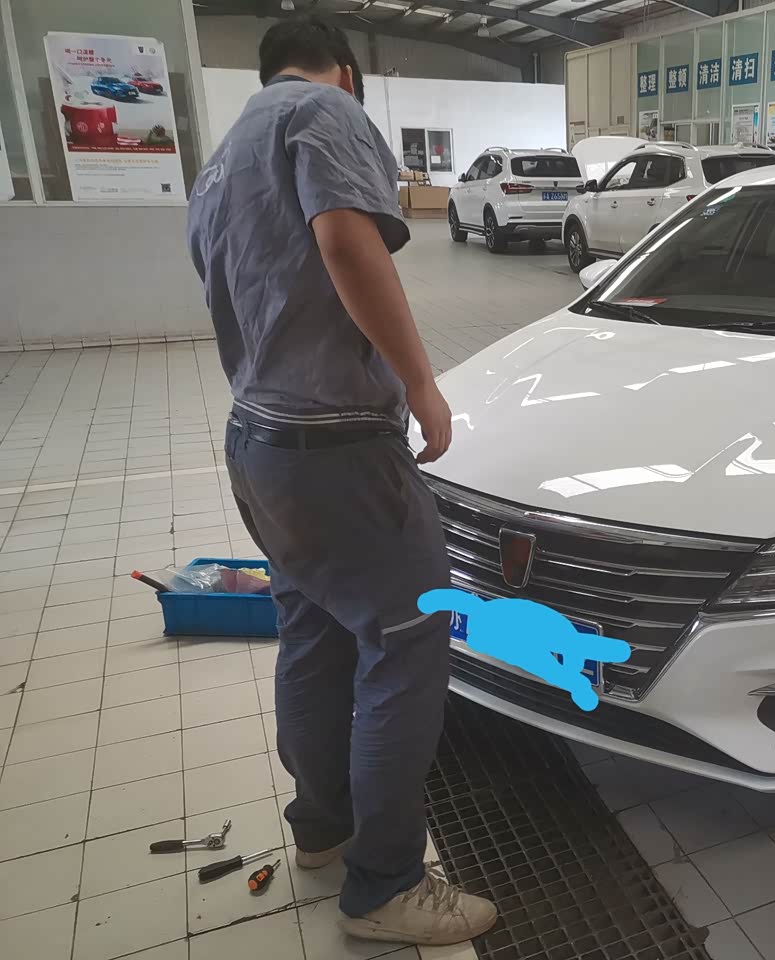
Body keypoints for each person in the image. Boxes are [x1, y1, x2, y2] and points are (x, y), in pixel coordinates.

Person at [186, 16, 497, 946]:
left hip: (259, 442)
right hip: (336, 447)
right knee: (408, 639)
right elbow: (346, 241)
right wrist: (420, 382)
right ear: (349, 75)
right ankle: (386, 885)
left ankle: (322, 830)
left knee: (314, 632)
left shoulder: (222, 156)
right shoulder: (323, 111)